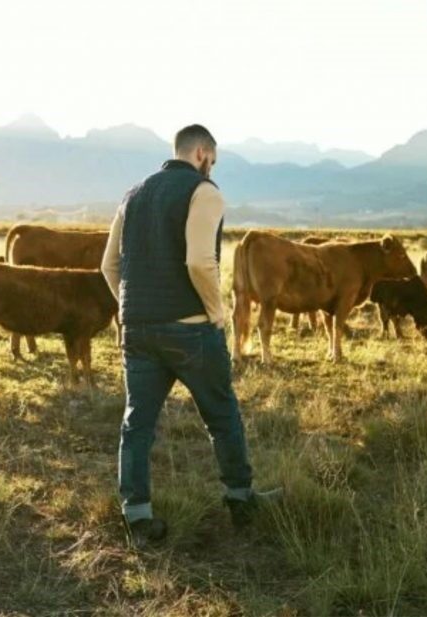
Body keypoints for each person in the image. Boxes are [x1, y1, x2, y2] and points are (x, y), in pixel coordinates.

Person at [101, 124, 280, 548]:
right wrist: (217, 313)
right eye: (212, 161)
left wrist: (134, 308)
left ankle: (138, 516)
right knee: (222, 417)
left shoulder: (133, 195)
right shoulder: (205, 192)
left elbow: (109, 266)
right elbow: (200, 262)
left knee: (137, 424)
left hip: (138, 330)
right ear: (202, 153)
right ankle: (241, 499)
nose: (211, 168)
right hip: (191, 330)